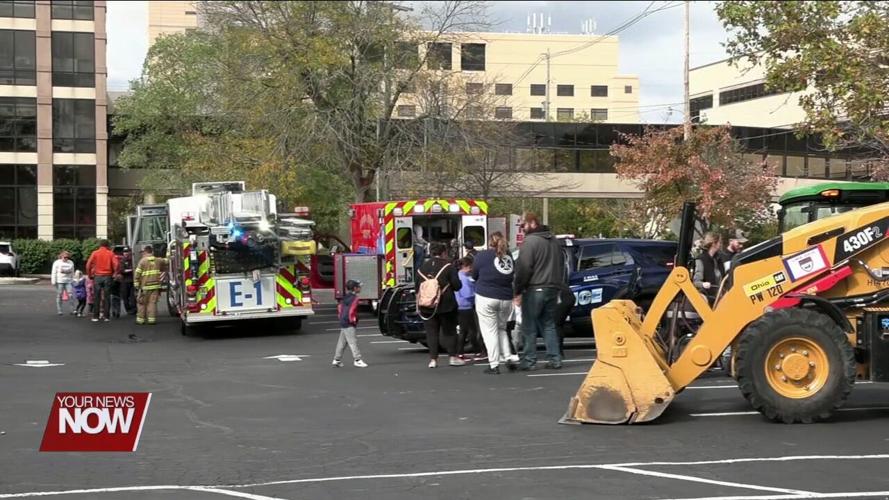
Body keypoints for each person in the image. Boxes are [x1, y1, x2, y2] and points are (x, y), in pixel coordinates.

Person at [513, 212, 566, 370]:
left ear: (532, 223)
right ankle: (555, 358)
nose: (522, 229)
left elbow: (524, 269)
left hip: (535, 287)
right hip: (553, 287)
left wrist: (518, 289)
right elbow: (562, 263)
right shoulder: (554, 241)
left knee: (529, 326)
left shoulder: (530, 242)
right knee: (548, 324)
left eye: (523, 225)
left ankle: (529, 360)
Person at [472, 232, 519, 374]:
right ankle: (508, 357)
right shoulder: (509, 255)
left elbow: (475, 275)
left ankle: (494, 364)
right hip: (505, 298)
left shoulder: (481, 256)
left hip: (486, 296)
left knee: (489, 332)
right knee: (502, 329)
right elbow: (511, 275)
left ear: (490, 242)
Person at [417, 241, 464, 368]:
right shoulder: (448, 266)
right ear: (444, 252)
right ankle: (453, 357)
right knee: (449, 331)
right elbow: (457, 286)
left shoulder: (422, 267)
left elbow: (417, 288)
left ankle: (433, 360)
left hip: (427, 306)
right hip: (446, 305)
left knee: (431, 332)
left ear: (431, 252)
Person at [332, 280, 368, 368]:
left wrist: (341, 317)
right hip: (348, 322)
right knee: (352, 341)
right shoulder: (355, 298)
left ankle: (337, 359)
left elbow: (340, 308)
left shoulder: (345, 297)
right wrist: (353, 320)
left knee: (342, 342)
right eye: (359, 287)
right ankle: (357, 360)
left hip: (343, 320)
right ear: (355, 288)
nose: (360, 288)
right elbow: (352, 310)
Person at [86, 240, 120, 322]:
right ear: (107, 245)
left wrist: (89, 275)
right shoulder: (110, 253)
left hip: (97, 276)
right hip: (108, 276)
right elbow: (117, 264)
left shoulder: (95, 253)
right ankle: (106, 316)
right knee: (107, 297)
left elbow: (88, 265)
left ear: (100, 245)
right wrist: (115, 273)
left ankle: (95, 316)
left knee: (96, 297)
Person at [454, 256, 481, 359]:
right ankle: (477, 351)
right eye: (471, 267)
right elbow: (467, 294)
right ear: (466, 266)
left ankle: (461, 352)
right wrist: (476, 294)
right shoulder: (464, 279)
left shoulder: (459, 276)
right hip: (466, 306)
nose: (471, 270)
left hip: (460, 306)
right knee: (471, 331)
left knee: (464, 331)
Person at [134, 245, 166, 325]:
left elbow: (137, 274)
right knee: (152, 303)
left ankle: (140, 320)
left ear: (145, 252)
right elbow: (166, 261)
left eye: (142, 252)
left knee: (141, 303)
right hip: (155, 286)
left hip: (145, 286)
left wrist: (136, 284)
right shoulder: (158, 260)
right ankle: (151, 320)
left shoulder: (142, 261)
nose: (142, 254)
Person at [694, 232, 724, 302]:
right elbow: (696, 282)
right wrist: (703, 284)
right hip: (708, 298)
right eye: (719, 242)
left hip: (720, 298)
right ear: (713, 244)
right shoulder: (701, 260)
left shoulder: (719, 259)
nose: (720, 245)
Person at [51, 251, 76, 316]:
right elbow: (54, 272)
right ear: (61, 256)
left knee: (71, 295)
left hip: (68, 281)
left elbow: (73, 272)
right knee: (59, 295)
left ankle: (72, 310)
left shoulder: (71, 262)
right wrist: (53, 281)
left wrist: (73, 279)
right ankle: (59, 310)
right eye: (65, 257)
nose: (66, 258)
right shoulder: (57, 262)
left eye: (67, 257)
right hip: (59, 281)